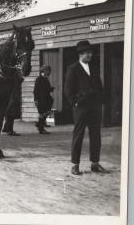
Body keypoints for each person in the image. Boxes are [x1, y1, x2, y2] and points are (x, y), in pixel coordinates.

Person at [64, 40, 106, 175]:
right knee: (78, 135)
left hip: (95, 108)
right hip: (81, 108)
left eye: (91, 52)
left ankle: (95, 163)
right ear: (80, 54)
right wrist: (75, 103)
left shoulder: (93, 68)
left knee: (96, 135)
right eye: (87, 53)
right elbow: (68, 91)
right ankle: (75, 165)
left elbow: (99, 86)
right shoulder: (73, 69)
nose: (90, 55)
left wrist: (100, 99)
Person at [34, 65, 54, 134]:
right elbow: (35, 90)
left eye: (49, 70)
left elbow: (46, 89)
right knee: (42, 113)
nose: (49, 72)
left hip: (47, 99)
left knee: (46, 112)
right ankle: (41, 129)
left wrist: (51, 89)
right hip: (40, 99)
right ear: (44, 71)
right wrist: (36, 100)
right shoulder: (39, 79)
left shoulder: (46, 79)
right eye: (48, 70)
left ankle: (40, 124)